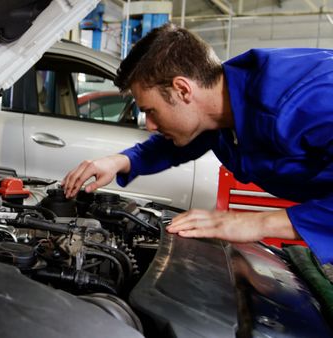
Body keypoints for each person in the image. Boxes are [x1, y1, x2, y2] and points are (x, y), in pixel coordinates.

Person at [61, 23, 333, 264]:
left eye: (151, 111)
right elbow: (181, 139)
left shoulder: (304, 100)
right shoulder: (222, 106)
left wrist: (256, 222)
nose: (151, 125)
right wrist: (121, 160)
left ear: (182, 89)